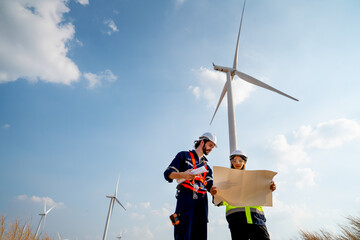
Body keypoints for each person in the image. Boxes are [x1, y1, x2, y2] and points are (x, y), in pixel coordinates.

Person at [210, 150, 276, 240]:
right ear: (231, 162)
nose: (237, 163)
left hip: (256, 219)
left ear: (244, 162)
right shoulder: (225, 181)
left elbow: (262, 194)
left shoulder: (255, 179)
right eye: (234, 160)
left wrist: (269, 187)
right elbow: (218, 202)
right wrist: (215, 195)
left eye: (240, 160)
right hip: (237, 221)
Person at [164, 132, 217, 240]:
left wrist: (214, 190)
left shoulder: (207, 167)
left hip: (202, 207)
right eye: (210, 145)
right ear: (202, 142)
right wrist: (182, 174)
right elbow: (168, 174)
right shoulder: (183, 156)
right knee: (184, 236)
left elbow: (210, 185)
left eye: (213, 147)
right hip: (186, 203)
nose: (211, 149)